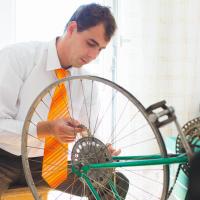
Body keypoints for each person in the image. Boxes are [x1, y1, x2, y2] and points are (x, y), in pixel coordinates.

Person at [0, 3, 129, 199]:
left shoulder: (87, 84)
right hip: (3, 158)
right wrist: (48, 128)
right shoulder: (17, 58)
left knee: (114, 182)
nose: (93, 55)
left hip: (47, 164)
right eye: (91, 43)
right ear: (71, 29)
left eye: (100, 49)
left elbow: (86, 136)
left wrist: (100, 152)